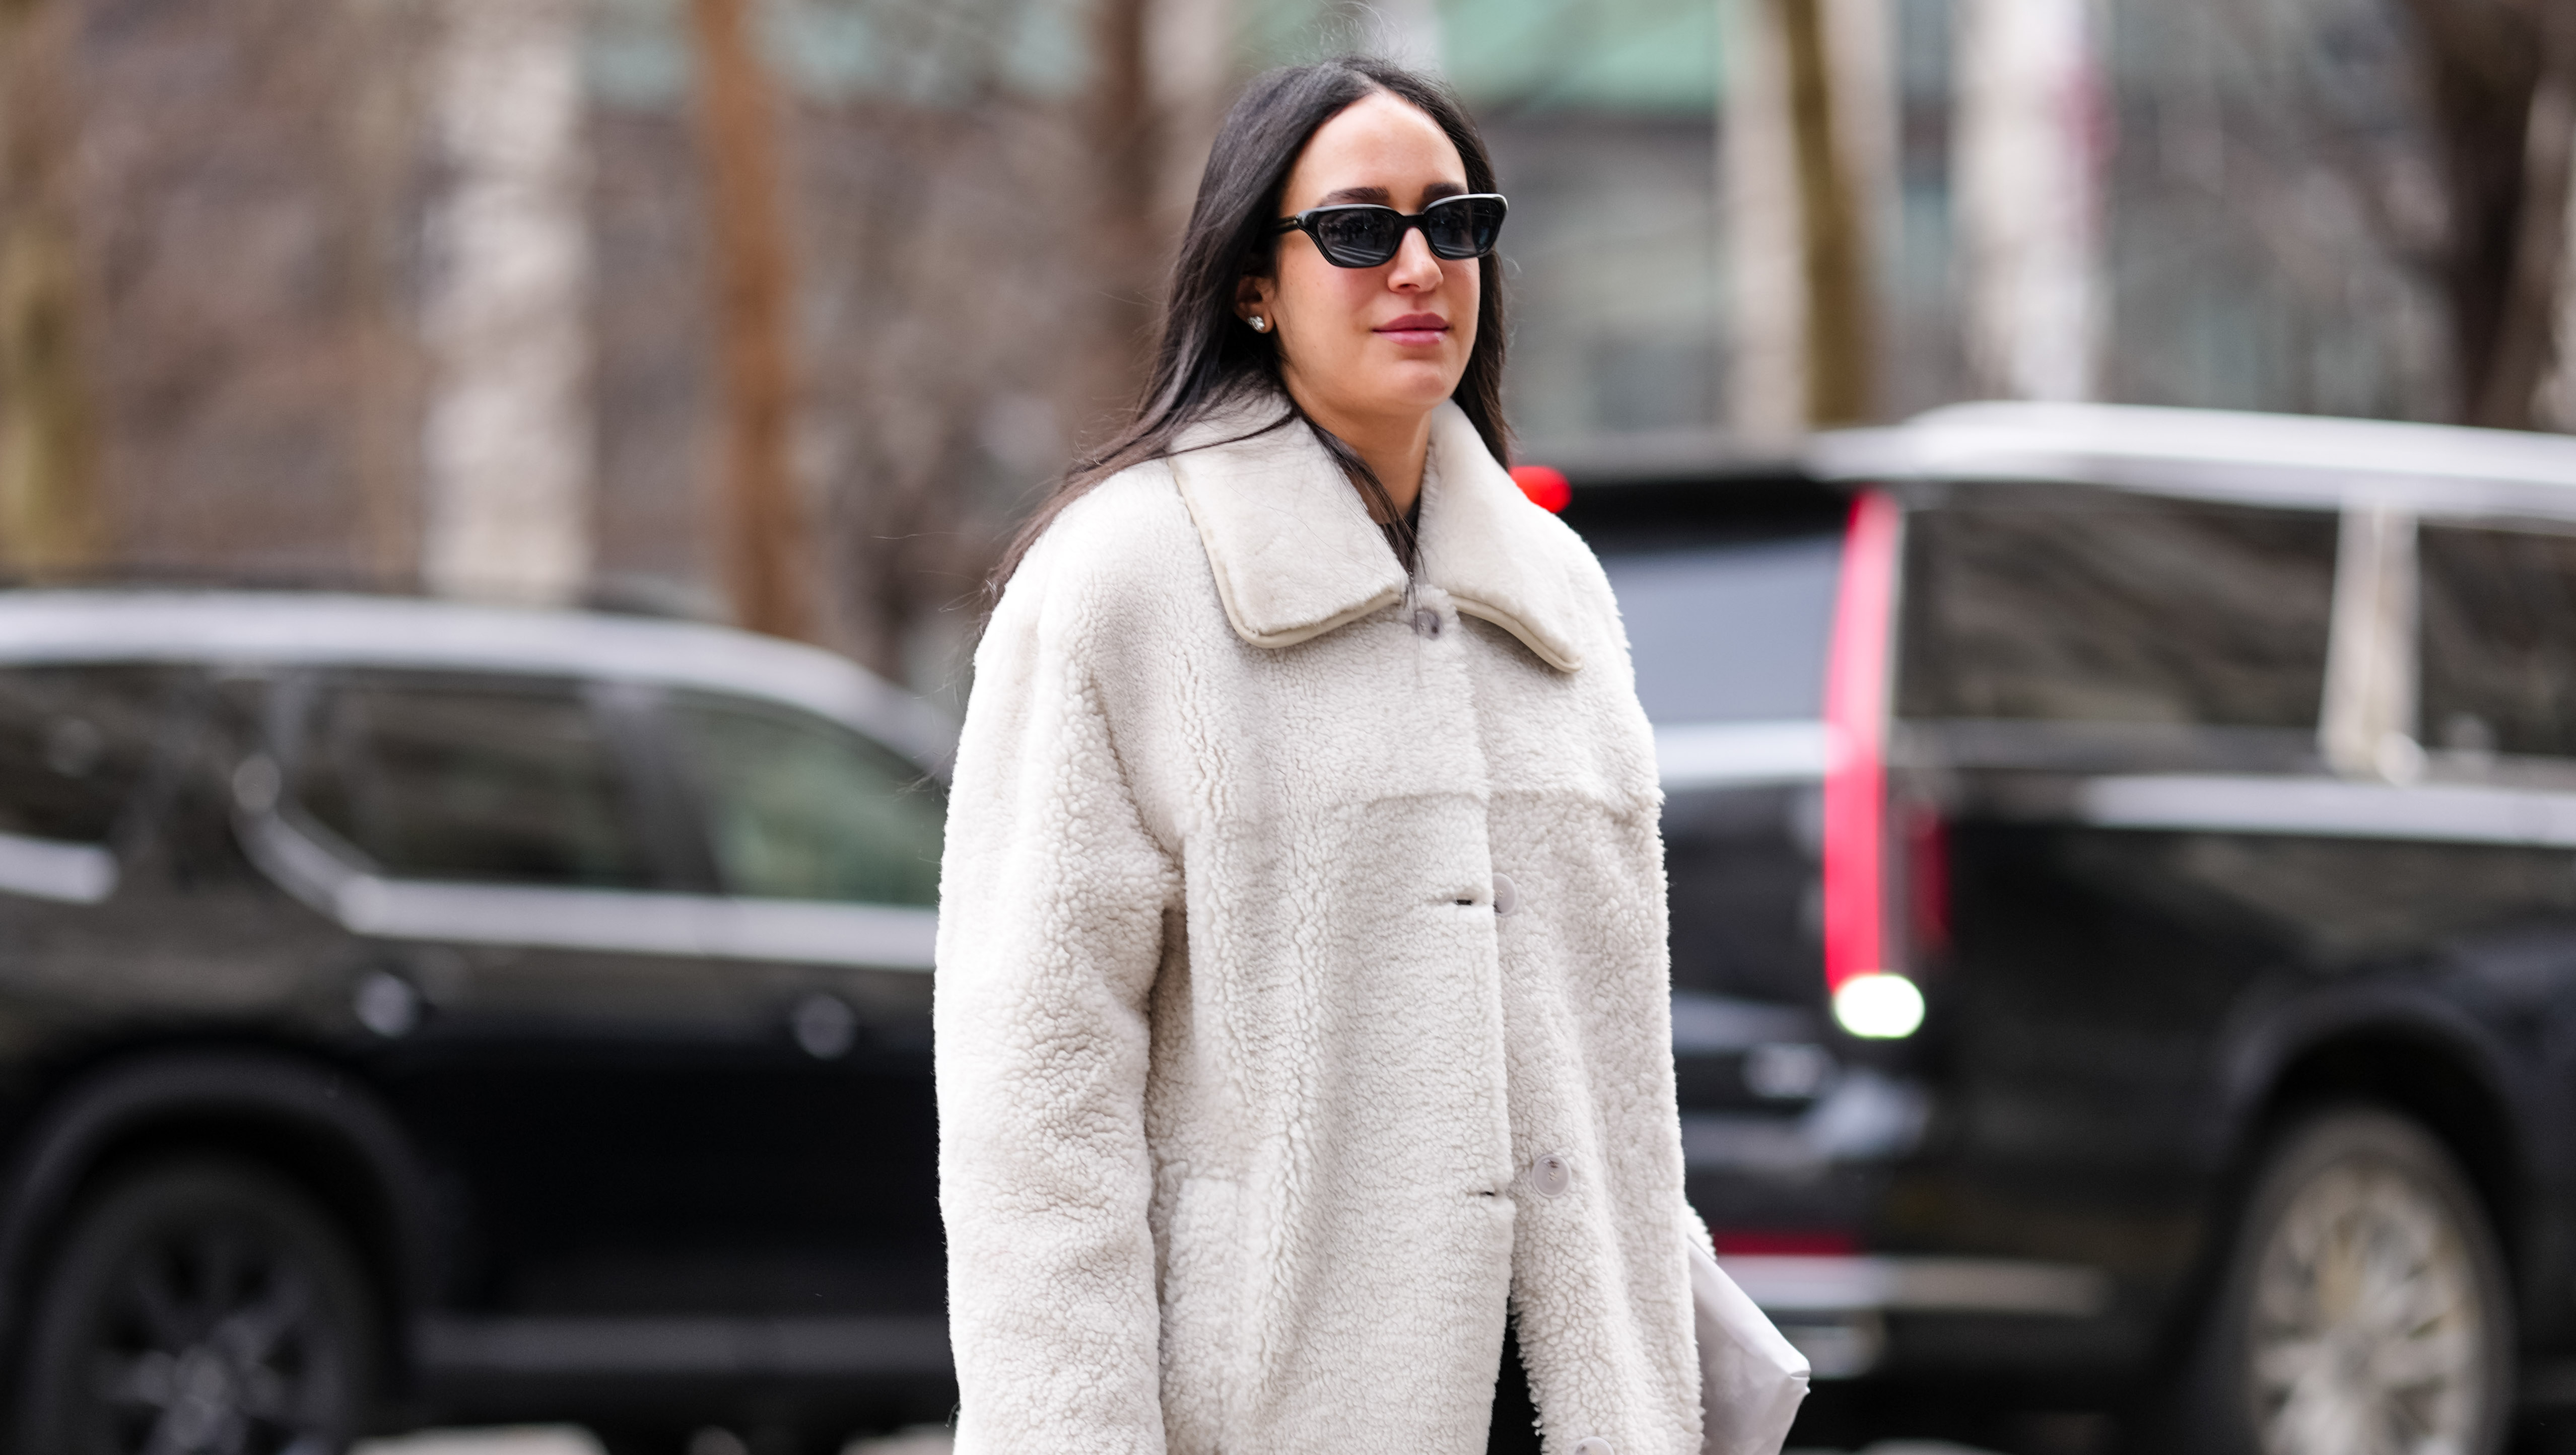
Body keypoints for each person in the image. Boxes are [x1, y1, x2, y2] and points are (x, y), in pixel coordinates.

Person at [935, 54, 1708, 1455]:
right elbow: (1035, 1109)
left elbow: (1608, 1077)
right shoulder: (1123, 582)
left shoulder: (1555, 591)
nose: (1419, 266)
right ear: (1253, 280)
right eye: (1358, 228)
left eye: (1454, 224)